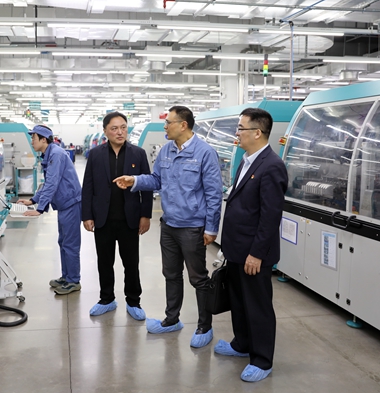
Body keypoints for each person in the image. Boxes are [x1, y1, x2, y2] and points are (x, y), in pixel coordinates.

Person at [114, 106, 222, 348]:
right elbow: (157, 180)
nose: (164, 126)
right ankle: (172, 319)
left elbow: (214, 194)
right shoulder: (166, 150)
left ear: (183, 125)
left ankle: (205, 325)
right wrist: (134, 180)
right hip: (169, 224)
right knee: (171, 274)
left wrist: (211, 229)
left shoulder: (205, 153)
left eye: (168, 122)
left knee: (198, 278)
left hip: (192, 226)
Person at [213, 108, 288, 383]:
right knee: (239, 302)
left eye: (241, 128)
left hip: (254, 253)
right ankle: (242, 344)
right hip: (236, 248)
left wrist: (256, 254)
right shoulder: (246, 161)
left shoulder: (272, 166)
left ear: (257, 132)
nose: (237, 133)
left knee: (257, 307)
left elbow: (270, 217)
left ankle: (262, 359)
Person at [82, 112, 153, 320]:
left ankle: (134, 301)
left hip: (129, 219)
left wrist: (145, 215)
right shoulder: (95, 154)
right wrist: (86, 215)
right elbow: (88, 186)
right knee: (104, 262)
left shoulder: (138, 154)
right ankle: (106, 299)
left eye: (123, 127)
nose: (120, 132)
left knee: (131, 263)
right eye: (114, 128)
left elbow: (147, 186)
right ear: (105, 131)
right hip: (103, 218)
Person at [18, 125, 82, 295]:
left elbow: (52, 183)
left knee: (70, 244)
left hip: (71, 204)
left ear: (43, 139)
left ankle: (73, 280)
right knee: (63, 242)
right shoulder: (49, 154)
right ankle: (66, 276)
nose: (32, 141)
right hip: (64, 205)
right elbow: (48, 183)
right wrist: (33, 200)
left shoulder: (56, 154)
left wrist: (39, 209)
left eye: (34, 138)